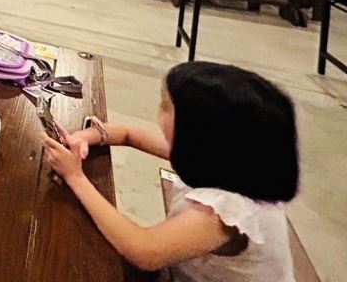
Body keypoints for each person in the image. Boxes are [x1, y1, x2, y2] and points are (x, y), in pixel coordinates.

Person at [42, 61, 299, 280]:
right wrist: (87, 137)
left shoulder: (226, 210)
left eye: (166, 106)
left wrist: (75, 176)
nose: (158, 111)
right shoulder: (224, 161)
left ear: (199, 132)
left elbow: (143, 251)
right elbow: (129, 134)